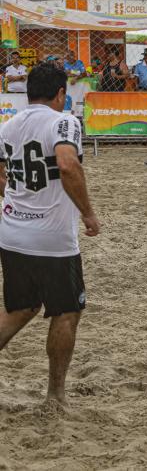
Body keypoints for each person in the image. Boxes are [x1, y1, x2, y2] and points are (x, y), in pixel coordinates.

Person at [0, 62, 101, 408]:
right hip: (53, 239)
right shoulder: (64, 121)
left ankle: (55, 395)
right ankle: (55, 395)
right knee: (66, 312)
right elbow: (68, 163)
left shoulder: (9, 125)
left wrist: (18, 195)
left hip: (12, 233)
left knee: (21, 309)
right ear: (61, 94)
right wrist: (88, 213)